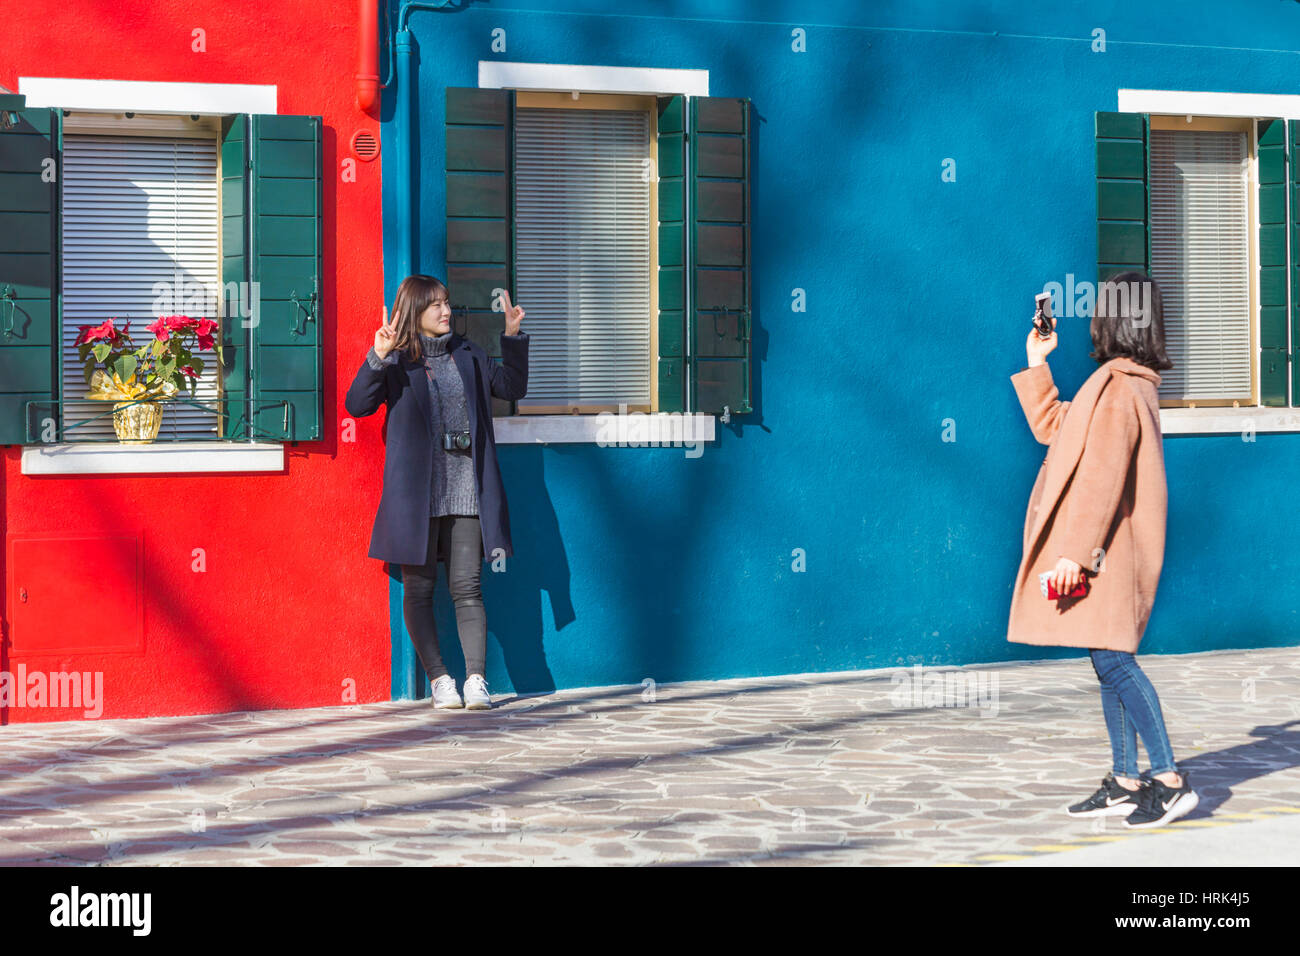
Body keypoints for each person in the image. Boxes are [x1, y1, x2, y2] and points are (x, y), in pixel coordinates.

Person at [1007, 270, 1198, 829]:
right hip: (1104, 548)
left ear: (1114, 319)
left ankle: (1166, 780)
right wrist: (1038, 363)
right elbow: (1057, 430)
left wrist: (1075, 552)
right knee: (1105, 654)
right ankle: (1125, 778)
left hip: (1106, 549)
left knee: (1114, 658)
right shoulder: (1119, 382)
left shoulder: (1119, 385)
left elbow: (1102, 478)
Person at [345, 274, 528, 711]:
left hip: (467, 491)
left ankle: (477, 681)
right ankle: (440, 679)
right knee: (420, 589)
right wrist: (378, 355)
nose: (446, 312)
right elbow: (356, 405)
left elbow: (511, 389)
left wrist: (512, 337)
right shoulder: (397, 363)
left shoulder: (468, 354)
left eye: (447, 303)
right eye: (436, 306)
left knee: (468, 587)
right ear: (415, 312)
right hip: (416, 497)